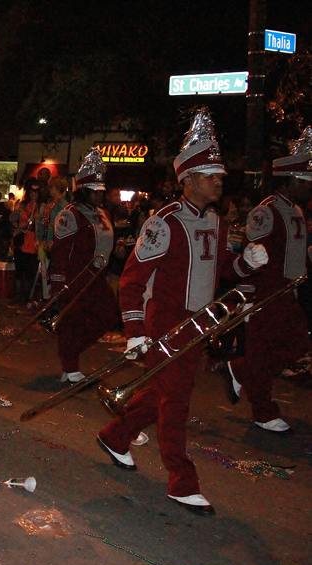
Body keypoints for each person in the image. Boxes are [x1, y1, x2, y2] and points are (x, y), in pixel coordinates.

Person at [97, 109, 267, 516]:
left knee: (162, 393)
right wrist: (135, 330)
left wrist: (248, 263)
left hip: (201, 322)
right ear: (187, 179)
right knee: (175, 403)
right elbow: (133, 280)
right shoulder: (163, 222)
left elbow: (223, 271)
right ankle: (181, 481)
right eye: (212, 175)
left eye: (220, 175)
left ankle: (116, 436)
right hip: (166, 322)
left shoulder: (219, 222)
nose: (219, 181)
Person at [224, 128, 312, 433]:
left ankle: (239, 368)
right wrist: (247, 298)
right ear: (291, 180)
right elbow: (251, 253)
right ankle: (262, 411)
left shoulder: (295, 209)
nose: (309, 187)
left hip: (288, 292)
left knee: (298, 343)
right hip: (265, 293)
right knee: (263, 352)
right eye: (305, 181)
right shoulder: (267, 210)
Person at [50, 148, 119, 383]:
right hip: (76, 277)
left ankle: (72, 352)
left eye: (102, 191)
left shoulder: (104, 213)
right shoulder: (70, 215)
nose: (100, 195)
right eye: (95, 191)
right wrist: (58, 280)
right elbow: (60, 250)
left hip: (97, 277)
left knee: (108, 316)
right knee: (71, 322)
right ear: (84, 191)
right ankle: (69, 367)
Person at [36, 175, 69, 299]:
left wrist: (52, 240)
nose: (49, 190)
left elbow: (59, 226)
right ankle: (47, 298)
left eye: (51, 187)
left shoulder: (62, 205)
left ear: (57, 188)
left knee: (52, 273)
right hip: (47, 241)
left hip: (54, 242)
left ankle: (52, 301)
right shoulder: (52, 203)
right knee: (45, 273)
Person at [14, 178, 40, 302]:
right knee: (19, 270)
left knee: (30, 271)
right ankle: (19, 295)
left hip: (34, 241)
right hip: (21, 239)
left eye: (36, 191)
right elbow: (12, 219)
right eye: (31, 191)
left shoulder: (41, 206)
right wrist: (17, 210)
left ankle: (26, 296)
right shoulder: (23, 204)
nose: (33, 193)